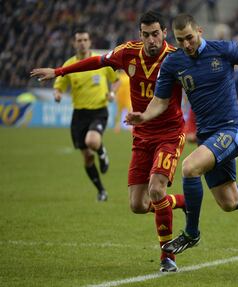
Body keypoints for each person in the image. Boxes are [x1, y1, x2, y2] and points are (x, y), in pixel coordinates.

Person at [124, 14, 238, 255]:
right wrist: (143, 116)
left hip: (233, 129)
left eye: (189, 38)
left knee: (189, 167)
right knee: (230, 201)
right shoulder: (173, 63)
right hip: (208, 137)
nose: (186, 44)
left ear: (199, 31)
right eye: (180, 40)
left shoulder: (223, 50)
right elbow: (160, 101)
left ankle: (191, 233)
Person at [30, 11, 187, 273]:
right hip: (141, 136)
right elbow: (95, 62)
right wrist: (58, 71)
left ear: (165, 33)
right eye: (146, 34)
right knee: (138, 205)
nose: (151, 40)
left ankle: (167, 257)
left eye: (155, 34)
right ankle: (183, 202)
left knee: (156, 190)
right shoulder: (127, 53)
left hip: (170, 133)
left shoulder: (176, 58)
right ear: (140, 34)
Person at [48, 29, 120, 202]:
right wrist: (57, 93)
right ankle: (101, 190)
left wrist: (112, 93)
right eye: (79, 40)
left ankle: (102, 153)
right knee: (87, 157)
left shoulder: (100, 62)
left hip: (99, 111)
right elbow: (59, 84)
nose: (82, 42)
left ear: (90, 42)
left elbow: (116, 80)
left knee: (92, 141)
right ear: (74, 43)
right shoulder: (69, 65)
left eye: (85, 39)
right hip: (79, 115)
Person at [113, 69, 132, 133]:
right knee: (118, 113)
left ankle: (130, 126)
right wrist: (115, 95)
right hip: (120, 98)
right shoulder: (118, 76)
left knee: (129, 112)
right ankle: (117, 126)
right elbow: (115, 86)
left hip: (127, 98)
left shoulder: (129, 76)